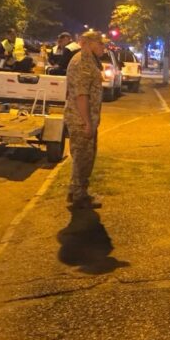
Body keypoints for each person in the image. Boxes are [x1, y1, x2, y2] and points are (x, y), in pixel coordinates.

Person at [65, 31, 106, 210]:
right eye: (100, 43)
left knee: (84, 156)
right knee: (83, 158)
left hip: (83, 118)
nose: (103, 47)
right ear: (88, 43)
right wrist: (87, 122)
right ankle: (79, 196)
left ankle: (75, 190)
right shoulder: (82, 62)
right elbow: (81, 95)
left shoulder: (89, 61)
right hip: (80, 119)